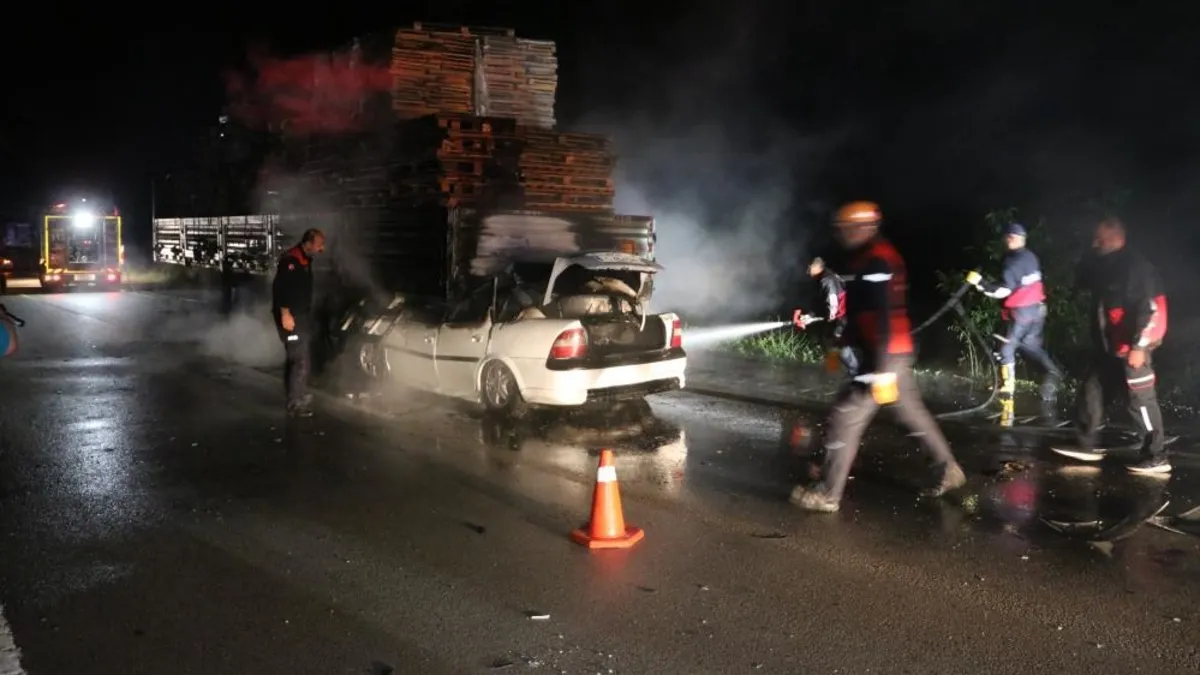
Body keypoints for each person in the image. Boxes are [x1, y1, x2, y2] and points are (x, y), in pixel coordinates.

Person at [791, 201, 966, 513]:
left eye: (846, 230)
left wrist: (882, 368)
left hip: (886, 354)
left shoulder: (877, 260)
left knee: (845, 416)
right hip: (890, 352)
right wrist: (841, 342)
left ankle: (828, 494)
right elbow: (859, 312)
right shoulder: (866, 260)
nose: (842, 236)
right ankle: (948, 470)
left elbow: (883, 313)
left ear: (863, 228)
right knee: (911, 414)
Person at [1052, 217, 1170, 475]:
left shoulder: (1136, 266)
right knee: (1092, 390)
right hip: (1111, 347)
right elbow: (1082, 282)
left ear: (1116, 238)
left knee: (1140, 401)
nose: (1095, 243)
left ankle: (1156, 455)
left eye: (1100, 239)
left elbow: (1150, 307)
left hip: (1134, 347)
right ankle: (1086, 444)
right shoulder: (1106, 266)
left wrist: (1139, 346)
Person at [965, 222, 1062, 425]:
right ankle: (1053, 371)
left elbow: (1003, 290)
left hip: (1022, 313)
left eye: (1009, 237)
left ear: (1012, 238)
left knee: (1006, 348)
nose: (1007, 241)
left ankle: (1007, 391)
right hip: (1038, 311)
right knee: (1030, 345)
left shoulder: (1013, 262)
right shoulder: (1031, 256)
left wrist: (980, 283)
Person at [272, 228, 325, 417]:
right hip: (290, 316)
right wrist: (285, 313)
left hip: (300, 316)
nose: (322, 249)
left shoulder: (304, 259)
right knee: (298, 358)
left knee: (300, 356)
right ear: (308, 243)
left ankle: (298, 393)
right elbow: (280, 289)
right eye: (319, 245)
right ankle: (295, 402)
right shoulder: (291, 260)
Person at [793, 257, 859, 377]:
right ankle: (832, 372)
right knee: (829, 344)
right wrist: (810, 315)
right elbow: (821, 303)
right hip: (836, 318)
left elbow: (832, 307)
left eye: (809, 268)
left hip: (839, 319)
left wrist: (816, 318)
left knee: (840, 345)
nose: (807, 272)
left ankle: (855, 372)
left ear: (817, 267)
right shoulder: (824, 278)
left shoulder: (827, 280)